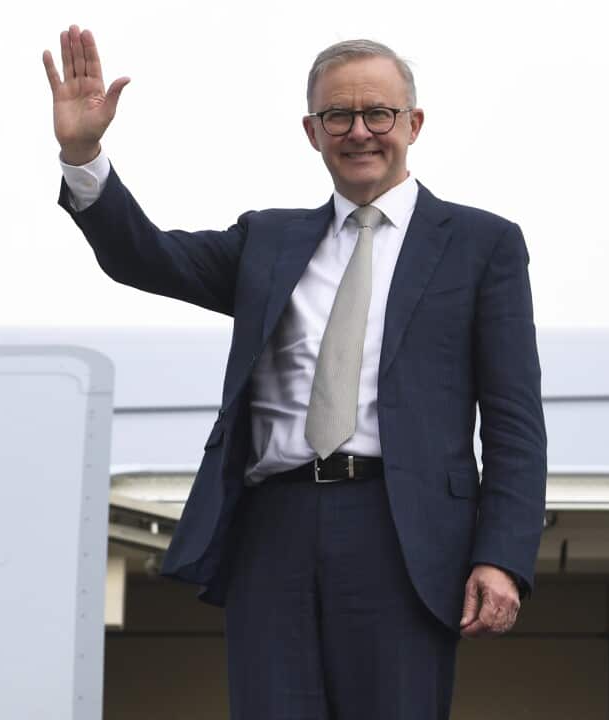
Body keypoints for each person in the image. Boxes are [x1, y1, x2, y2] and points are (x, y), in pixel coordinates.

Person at [43, 25, 547, 719]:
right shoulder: (269, 240)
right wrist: (84, 154)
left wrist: (503, 555)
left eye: (380, 114)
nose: (360, 131)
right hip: (272, 526)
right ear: (312, 131)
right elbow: (146, 256)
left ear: (414, 124)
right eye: (339, 115)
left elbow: (516, 417)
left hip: (405, 533)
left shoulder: (483, 245)